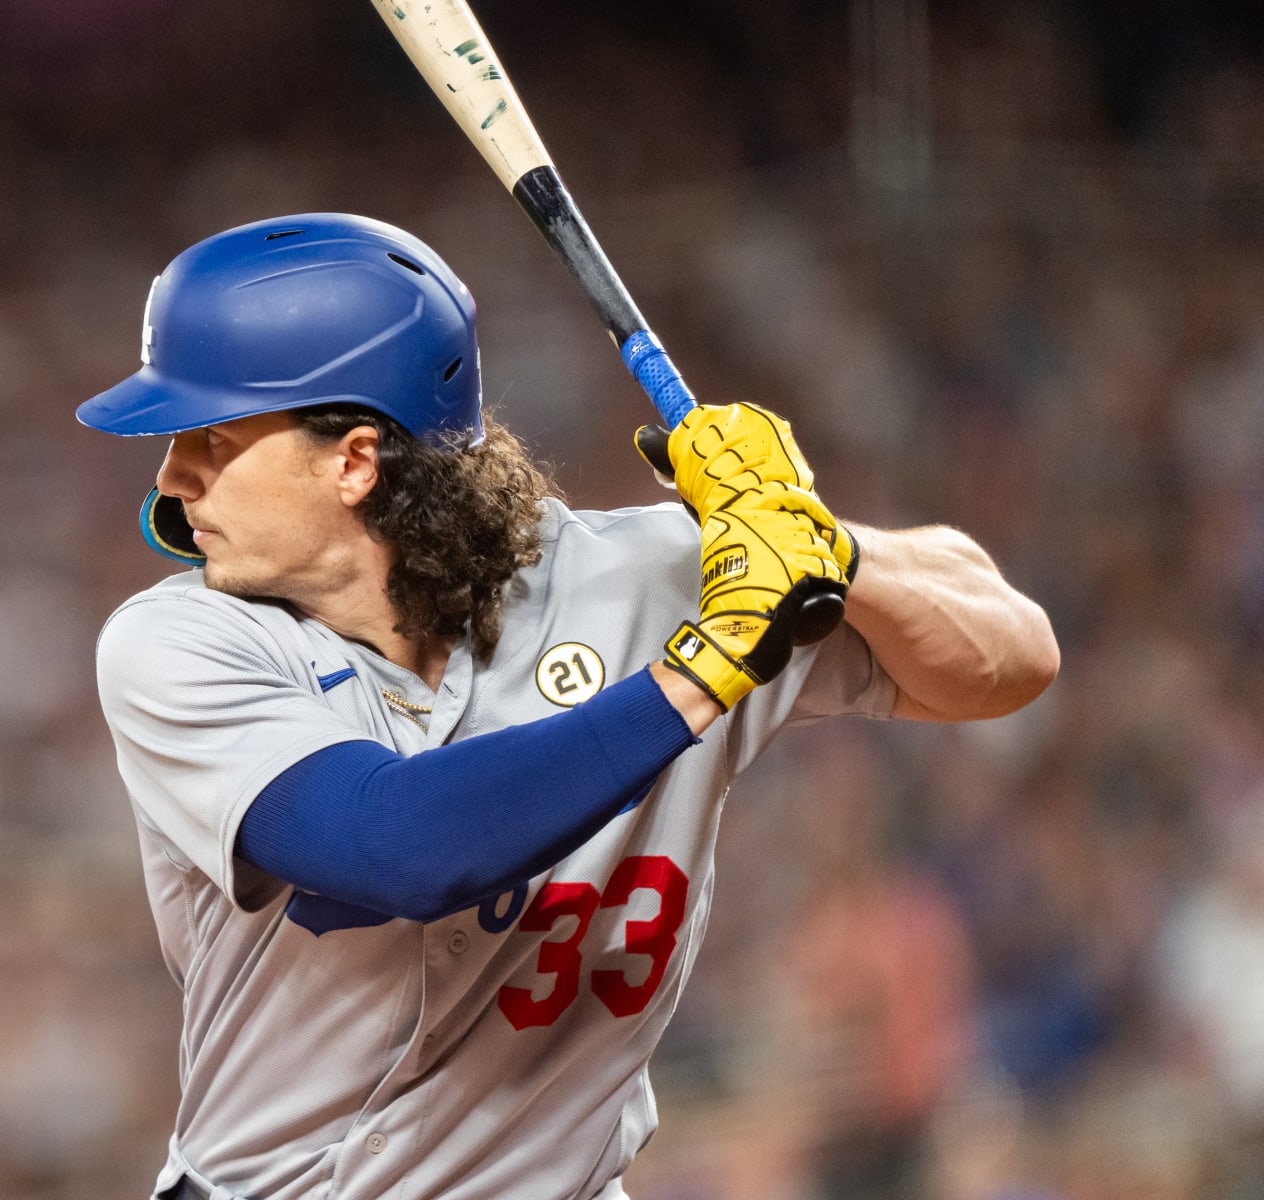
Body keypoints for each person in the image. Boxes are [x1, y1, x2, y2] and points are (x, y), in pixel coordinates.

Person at [79, 213, 1058, 1200]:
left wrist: (828, 550)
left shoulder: (644, 585)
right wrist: (700, 671)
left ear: (356, 461)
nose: (171, 478)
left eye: (209, 438)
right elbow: (401, 845)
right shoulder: (180, 644)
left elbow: (1011, 658)